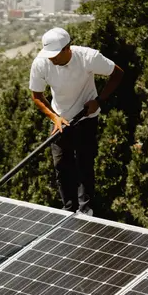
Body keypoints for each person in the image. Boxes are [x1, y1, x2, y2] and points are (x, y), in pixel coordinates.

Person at [29, 27, 123, 215]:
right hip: (60, 119)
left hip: (86, 118)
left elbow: (118, 73)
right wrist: (55, 117)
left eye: (55, 54)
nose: (52, 58)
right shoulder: (41, 63)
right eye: (49, 54)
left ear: (67, 48)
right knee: (61, 166)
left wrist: (99, 101)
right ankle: (68, 210)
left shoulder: (88, 57)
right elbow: (37, 96)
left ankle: (85, 210)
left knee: (84, 163)